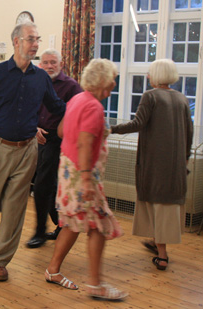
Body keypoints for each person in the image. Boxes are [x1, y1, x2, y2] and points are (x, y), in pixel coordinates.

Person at [0, 22, 65, 282]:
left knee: (14, 208)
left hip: (27, 150)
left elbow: (56, 107)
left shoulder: (41, 77)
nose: (36, 44)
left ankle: (0, 260)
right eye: (31, 39)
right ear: (17, 41)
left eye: (38, 39)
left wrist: (85, 107)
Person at [44, 58, 127, 300]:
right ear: (102, 81)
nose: (113, 84)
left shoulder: (77, 99)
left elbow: (61, 132)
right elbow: (85, 142)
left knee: (72, 223)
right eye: (112, 79)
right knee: (98, 226)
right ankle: (95, 285)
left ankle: (53, 270)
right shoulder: (93, 106)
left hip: (70, 172)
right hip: (83, 175)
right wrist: (88, 180)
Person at [111, 59, 193, 271]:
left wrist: (111, 129)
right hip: (175, 165)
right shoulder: (182, 98)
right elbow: (189, 133)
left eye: (150, 73)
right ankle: (156, 241)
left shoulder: (150, 96)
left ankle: (163, 255)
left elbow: (137, 123)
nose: (147, 76)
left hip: (155, 163)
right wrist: (184, 159)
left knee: (157, 205)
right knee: (165, 206)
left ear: (157, 75)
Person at [26, 49, 82, 248]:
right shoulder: (36, 82)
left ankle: (40, 232)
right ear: (40, 64)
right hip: (37, 139)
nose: (49, 66)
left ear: (61, 64)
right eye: (46, 62)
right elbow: (28, 108)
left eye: (53, 62)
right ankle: (60, 226)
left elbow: (77, 115)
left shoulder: (72, 87)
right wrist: (34, 127)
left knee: (43, 186)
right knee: (45, 186)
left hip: (59, 142)